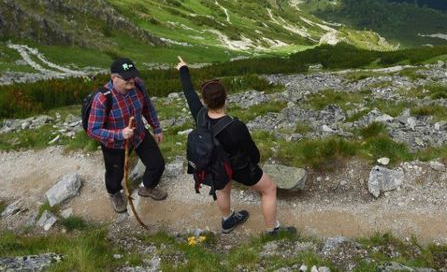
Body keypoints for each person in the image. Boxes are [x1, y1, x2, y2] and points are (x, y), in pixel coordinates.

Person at [176, 56, 296, 235]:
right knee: (269, 188)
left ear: (205, 101)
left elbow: (189, 93)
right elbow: (252, 152)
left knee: (222, 187)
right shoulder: (234, 125)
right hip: (238, 166)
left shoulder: (199, 114)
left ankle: (227, 220)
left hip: (215, 164)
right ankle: (272, 230)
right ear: (226, 98)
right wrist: (255, 162)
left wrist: (183, 70)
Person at [87, 57, 167, 213]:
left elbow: (147, 107)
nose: (131, 80)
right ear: (114, 78)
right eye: (126, 78)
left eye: (133, 75)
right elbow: (93, 130)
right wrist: (119, 134)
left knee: (157, 164)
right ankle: (115, 193)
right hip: (115, 144)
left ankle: (148, 187)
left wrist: (156, 128)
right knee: (114, 175)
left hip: (139, 135)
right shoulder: (102, 99)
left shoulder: (138, 85)